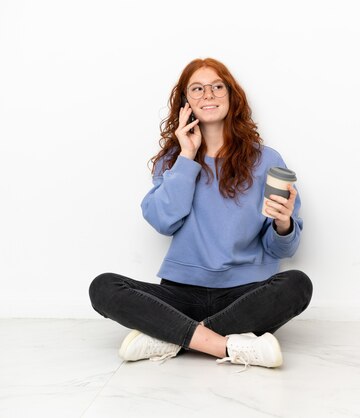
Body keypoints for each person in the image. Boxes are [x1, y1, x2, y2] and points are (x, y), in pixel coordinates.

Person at [89, 58, 312, 369]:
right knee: (103, 287)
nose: (208, 94)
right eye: (197, 89)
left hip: (243, 294)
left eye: (217, 87)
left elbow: (282, 249)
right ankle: (226, 345)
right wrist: (188, 156)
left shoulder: (266, 159)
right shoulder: (174, 160)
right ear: (185, 104)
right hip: (180, 294)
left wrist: (283, 223)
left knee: (298, 284)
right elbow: (162, 221)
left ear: (232, 97)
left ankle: (172, 337)